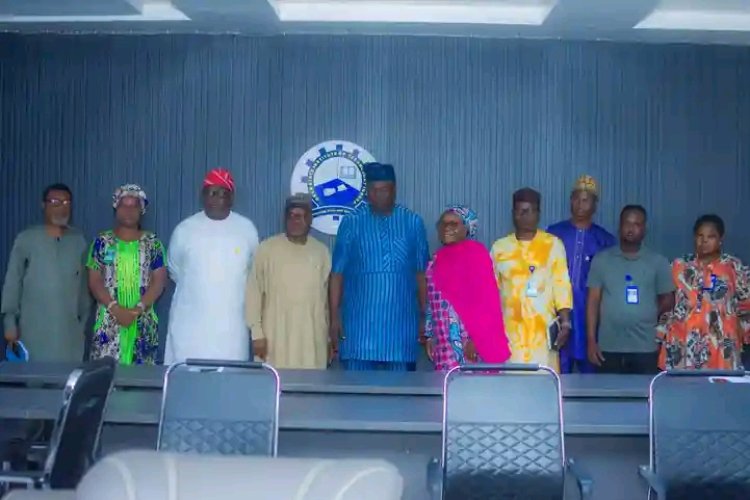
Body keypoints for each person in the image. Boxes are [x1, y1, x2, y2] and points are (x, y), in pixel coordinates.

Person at [329, 162, 429, 371]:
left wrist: (425, 317)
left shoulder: (412, 222)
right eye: (373, 190)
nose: (378, 195)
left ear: (394, 190)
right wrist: (334, 318)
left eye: (384, 190)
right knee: (356, 388)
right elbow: (337, 274)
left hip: (401, 328)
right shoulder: (352, 222)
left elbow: (422, 274)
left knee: (401, 389)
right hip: (358, 329)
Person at [165, 168, 259, 364]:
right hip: (190, 328)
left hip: (231, 329)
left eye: (224, 193)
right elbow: (174, 270)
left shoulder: (246, 229)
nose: (218, 198)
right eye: (213, 192)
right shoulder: (184, 230)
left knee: (230, 377)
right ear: (203, 196)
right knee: (187, 376)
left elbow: (253, 270)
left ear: (232, 198)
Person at [1, 183, 91, 362]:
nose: (61, 208)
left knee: (68, 376)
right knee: (35, 377)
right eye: (55, 202)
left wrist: (82, 327)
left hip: (69, 337)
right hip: (32, 334)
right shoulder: (26, 239)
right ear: (44, 205)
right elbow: (13, 283)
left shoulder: (78, 241)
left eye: (66, 203)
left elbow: (84, 291)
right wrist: (9, 325)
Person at [245, 194, 331, 369]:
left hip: (312, 343)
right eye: (291, 215)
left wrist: (328, 339)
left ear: (310, 219)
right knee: (275, 384)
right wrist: (256, 334)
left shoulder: (321, 252)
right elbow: (253, 293)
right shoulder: (266, 249)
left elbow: (325, 304)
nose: (295, 221)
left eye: (301, 215)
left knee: (311, 384)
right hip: (274, 341)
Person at [491, 188, 573, 372]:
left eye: (528, 211)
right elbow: (491, 292)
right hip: (510, 335)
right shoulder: (500, 248)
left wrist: (566, 323)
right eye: (519, 211)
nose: (524, 216)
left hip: (542, 334)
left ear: (538, 214)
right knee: (511, 383)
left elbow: (561, 285)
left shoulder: (553, 245)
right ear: (513, 213)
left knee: (543, 381)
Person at [586, 205, 675, 374]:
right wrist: (591, 341)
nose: (631, 228)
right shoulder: (602, 260)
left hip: (645, 347)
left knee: (643, 391)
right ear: (619, 226)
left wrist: (649, 313)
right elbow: (593, 301)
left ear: (644, 229)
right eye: (627, 223)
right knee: (608, 391)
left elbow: (668, 299)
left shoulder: (658, 262)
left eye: (637, 224)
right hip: (608, 347)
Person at [87, 184, 167, 365]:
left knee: (142, 377)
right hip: (109, 321)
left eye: (134, 205)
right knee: (105, 374)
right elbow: (94, 280)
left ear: (142, 210)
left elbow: (159, 281)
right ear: (116, 208)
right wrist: (115, 308)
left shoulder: (153, 243)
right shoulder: (102, 242)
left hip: (142, 321)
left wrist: (137, 309)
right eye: (124, 205)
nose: (129, 210)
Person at [658, 215, 750, 370]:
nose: (704, 241)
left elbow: (746, 304)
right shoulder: (678, 266)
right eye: (700, 236)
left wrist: (742, 334)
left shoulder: (734, 267)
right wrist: (660, 334)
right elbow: (667, 303)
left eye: (711, 236)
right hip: (684, 342)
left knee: (721, 384)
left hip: (722, 345)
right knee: (683, 385)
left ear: (720, 239)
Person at [424, 205, 510, 370]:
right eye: (443, 223)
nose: (447, 228)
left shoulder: (476, 255)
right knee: (446, 384)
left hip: (469, 343)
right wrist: (430, 336)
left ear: (467, 228)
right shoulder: (435, 261)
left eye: (453, 224)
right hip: (443, 343)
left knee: (471, 384)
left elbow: (488, 301)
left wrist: (477, 339)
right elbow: (431, 302)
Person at [547, 175, 616, 373]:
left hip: (590, 318)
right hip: (557, 315)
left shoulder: (605, 240)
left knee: (591, 377)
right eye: (576, 198)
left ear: (595, 205)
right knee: (557, 373)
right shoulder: (553, 234)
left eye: (586, 200)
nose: (579, 204)